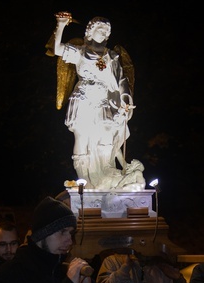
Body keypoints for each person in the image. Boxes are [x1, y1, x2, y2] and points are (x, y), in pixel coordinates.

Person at [52, 13, 141, 190]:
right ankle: (85, 178)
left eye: (108, 31)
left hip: (104, 101)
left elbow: (121, 80)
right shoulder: (80, 51)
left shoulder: (112, 57)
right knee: (83, 137)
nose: (105, 34)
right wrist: (61, 25)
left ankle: (106, 170)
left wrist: (124, 97)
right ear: (90, 32)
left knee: (107, 135)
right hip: (84, 98)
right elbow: (57, 49)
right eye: (101, 30)